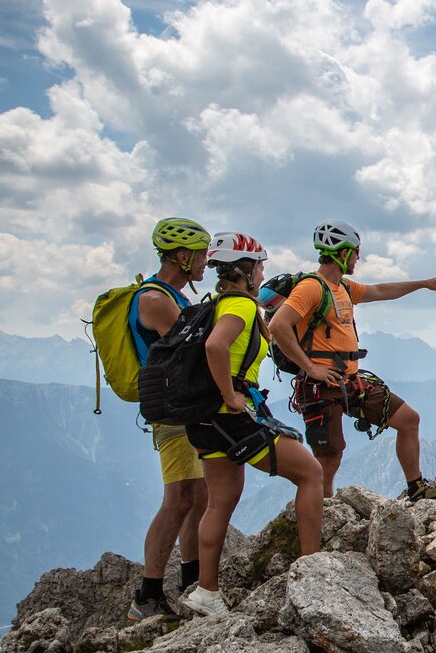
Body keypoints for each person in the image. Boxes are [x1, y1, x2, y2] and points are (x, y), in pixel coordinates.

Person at [181, 233, 324, 617]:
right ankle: (313, 570)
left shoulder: (216, 304)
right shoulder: (240, 308)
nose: (263, 272)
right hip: (231, 417)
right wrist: (231, 396)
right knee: (310, 472)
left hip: (205, 420)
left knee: (221, 501)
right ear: (245, 269)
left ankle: (207, 592)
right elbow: (215, 347)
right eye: (260, 266)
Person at [269, 220, 436, 502]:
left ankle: (416, 487)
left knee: (408, 419)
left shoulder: (342, 287)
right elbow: (278, 326)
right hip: (321, 384)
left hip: (349, 381)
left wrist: (423, 284)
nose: (359, 257)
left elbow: (380, 290)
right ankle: (322, 518)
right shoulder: (311, 288)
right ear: (342, 253)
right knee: (328, 461)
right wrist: (310, 368)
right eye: (356, 251)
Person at [128, 218, 211, 621]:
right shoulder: (155, 299)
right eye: (199, 255)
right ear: (181, 256)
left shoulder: (174, 298)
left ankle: (191, 581)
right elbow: (187, 352)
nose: (205, 262)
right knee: (178, 499)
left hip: (186, 408)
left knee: (200, 496)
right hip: (172, 412)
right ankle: (147, 595)